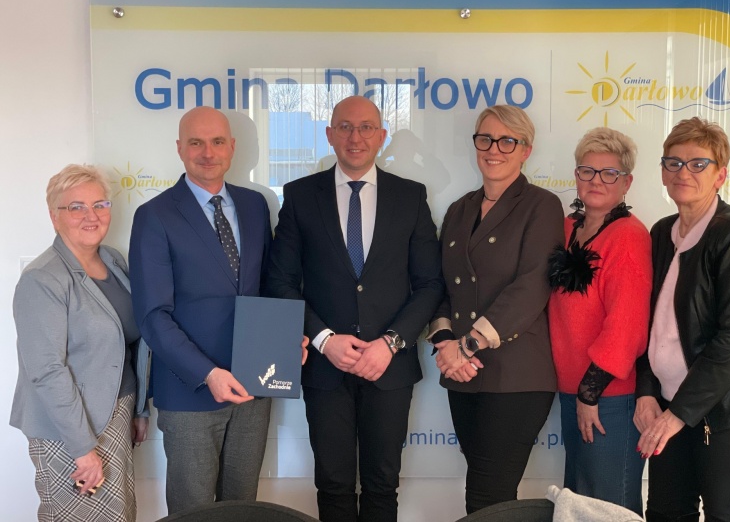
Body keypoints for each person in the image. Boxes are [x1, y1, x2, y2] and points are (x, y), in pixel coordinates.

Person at [267, 95, 444, 522]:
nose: (355, 137)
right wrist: (324, 339)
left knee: (383, 485)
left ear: (381, 136)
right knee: (333, 485)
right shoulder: (300, 196)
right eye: (345, 127)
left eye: (366, 128)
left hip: (390, 366)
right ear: (330, 135)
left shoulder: (410, 196)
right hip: (325, 368)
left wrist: (392, 342)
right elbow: (280, 282)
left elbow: (429, 284)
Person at [129, 106, 284, 514]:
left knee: (242, 508)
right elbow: (152, 316)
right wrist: (207, 374)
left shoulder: (254, 206)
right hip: (190, 392)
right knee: (193, 512)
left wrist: (286, 341)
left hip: (254, 385)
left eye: (217, 142)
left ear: (231, 147)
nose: (208, 152)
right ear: (180, 148)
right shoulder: (154, 216)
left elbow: (268, 287)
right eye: (196, 142)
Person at [635, 117, 730, 522]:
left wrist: (677, 413)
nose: (683, 172)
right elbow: (647, 325)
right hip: (669, 404)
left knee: (727, 516)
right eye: (673, 162)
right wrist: (646, 392)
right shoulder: (660, 233)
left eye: (697, 164)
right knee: (666, 514)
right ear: (662, 172)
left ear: (720, 176)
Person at [430, 105, 563, 514]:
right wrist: (444, 343)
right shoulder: (459, 209)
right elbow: (443, 286)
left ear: (526, 150)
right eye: (485, 139)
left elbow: (532, 285)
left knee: (487, 496)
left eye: (508, 141)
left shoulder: (542, 205)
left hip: (516, 375)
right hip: (463, 374)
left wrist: (466, 346)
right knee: (489, 497)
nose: (494, 149)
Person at [10, 164, 149, 522]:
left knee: (119, 515)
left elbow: (127, 344)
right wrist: (83, 448)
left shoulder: (113, 260)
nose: (92, 215)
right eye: (76, 207)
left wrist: (138, 410)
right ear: (54, 216)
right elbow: (46, 371)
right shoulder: (42, 279)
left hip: (117, 413)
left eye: (100, 204)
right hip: (69, 429)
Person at [547, 127, 651, 514]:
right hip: (571, 392)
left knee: (609, 510)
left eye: (609, 173)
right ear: (576, 175)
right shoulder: (567, 228)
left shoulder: (628, 236)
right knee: (578, 507)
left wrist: (589, 395)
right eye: (587, 171)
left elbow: (627, 327)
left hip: (608, 397)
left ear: (627, 183)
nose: (596, 181)